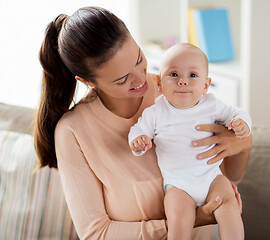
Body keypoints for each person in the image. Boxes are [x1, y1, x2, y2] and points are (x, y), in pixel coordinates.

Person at [34, 6, 252, 240]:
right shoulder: (73, 132)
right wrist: (189, 220)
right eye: (122, 79)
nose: (141, 80)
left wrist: (243, 142)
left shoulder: (179, 87)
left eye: (139, 59)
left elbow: (230, 176)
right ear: (88, 81)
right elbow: (95, 233)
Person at [128, 43, 250, 240]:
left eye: (192, 75)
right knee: (178, 218)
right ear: (159, 82)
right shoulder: (156, 112)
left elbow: (237, 112)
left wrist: (241, 123)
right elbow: (138, 130)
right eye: (174, 75)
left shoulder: (212, 105)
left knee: (229, 205)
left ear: (205, 85)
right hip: (178, 185)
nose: (183, 81)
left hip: (211, 178)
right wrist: (138, 141)